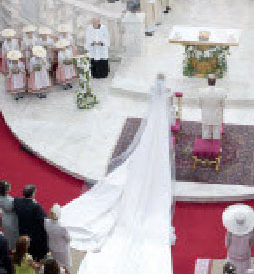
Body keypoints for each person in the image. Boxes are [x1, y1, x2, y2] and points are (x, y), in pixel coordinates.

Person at [59, 73, 176, 274]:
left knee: (148, 143)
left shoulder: (155, 94)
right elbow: (170, 111)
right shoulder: (167, 96)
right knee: (157, 149)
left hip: (154, 125)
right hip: (161, 123)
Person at [13, 184, 48, 260]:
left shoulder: (17, 201)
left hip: (22, 229)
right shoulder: (36, 207)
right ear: (33, 194)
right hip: (34, 233)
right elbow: (44, 219)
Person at [223, 204, 254, 273]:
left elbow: (227, 243)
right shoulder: (249, 231)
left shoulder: (230, 231)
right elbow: (251, 243)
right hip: (245, 253)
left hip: (233, 254)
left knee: (231, 270)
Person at [199, 74, 226, 139]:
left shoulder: (201, 91)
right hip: (216, 116)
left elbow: (200, 105)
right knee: (216, 134)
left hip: (206, 116)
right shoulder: (221, 92)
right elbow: (223, 105)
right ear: (215, 81)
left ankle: (205, 147)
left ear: (207, 81)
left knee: (205, 133)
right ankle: (216, 147)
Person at [0, 180, 19, 250]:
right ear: (6, 190)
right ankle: (12, 247)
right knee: (13, 235)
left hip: (4, 217)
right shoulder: (11, 201)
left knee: (7, 233)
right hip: (12, 219)